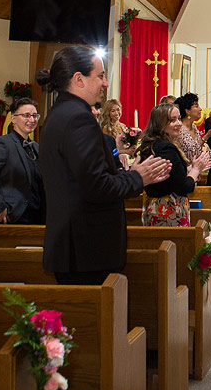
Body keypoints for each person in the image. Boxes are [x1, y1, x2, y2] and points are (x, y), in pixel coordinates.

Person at [37, 46, 171, 284]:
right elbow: (97, 186)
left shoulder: (59, 113)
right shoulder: (79, 119)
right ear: (78, 79)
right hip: (87, 247)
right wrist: (138, 177)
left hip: (75, 244)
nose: (105, 83)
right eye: (99, 75)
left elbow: (82, 178)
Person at [136, 104, 211, 227]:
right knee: (173, 246)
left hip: (156, 207)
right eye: (172, 120)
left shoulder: (152, 145)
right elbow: (183, 186)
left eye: (179, 119)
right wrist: (196, 170)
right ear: (160, 123)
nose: (179, 123)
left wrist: (189, 169)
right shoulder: (166, 148)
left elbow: (170, 177)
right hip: (168, 210)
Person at [0, 97, 44, 224]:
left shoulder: (36, 147)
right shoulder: (3, 143)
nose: (32, 120)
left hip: (37, 217)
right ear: (13, 119)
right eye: (26, 115)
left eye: (35, 116)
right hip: (14, 216)